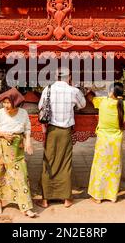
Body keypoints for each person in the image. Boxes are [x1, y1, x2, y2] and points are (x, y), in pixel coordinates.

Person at [36, 68, 86, 208]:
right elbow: (83, 105)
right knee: (65, 162)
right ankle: (66, 199)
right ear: (69, 77)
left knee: (49, 162)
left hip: (51, 130)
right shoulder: (73, 91)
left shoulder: (48, 89)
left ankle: (45, 199)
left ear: (55, 76)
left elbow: (40, 106)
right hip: (65, 131)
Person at [0, 87, 37, 218]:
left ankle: (25, 206)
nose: (6, 105)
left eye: (8, 103)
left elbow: (27, 129)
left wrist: (27, 142)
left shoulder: (23, 113)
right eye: (4, 102)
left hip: (17, 147)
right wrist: (2, 134)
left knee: (21, 175)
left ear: (16, 103)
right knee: (0, 173)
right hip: (2, 148)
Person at [86, 82, 125, 203]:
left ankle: (98, 196)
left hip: (103, 138)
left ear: (111, 92)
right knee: (114, 166)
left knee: (100, 166)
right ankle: (112, 196)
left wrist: (90, 90)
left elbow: (90, 98)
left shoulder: (103, 102)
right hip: (117, 138)